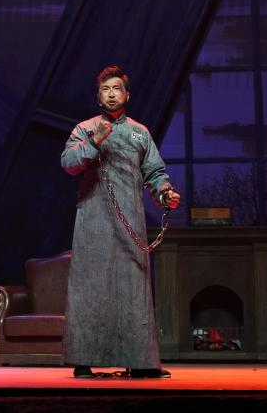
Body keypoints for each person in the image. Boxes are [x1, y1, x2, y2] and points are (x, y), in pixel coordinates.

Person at [60, 66, 180, 379]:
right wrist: (94, 143)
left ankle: (140, 363)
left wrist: (164, 192)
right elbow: (69, 163)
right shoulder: (85, 128)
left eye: (117, 88)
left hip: (130, 219)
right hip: (93, 220)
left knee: (133, 290)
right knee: (91, 288)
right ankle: (83, 361)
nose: (111, 94)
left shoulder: (140, 132)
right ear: (98, 96)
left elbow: (154, 172)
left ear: (127, 95)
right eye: (105, 89)